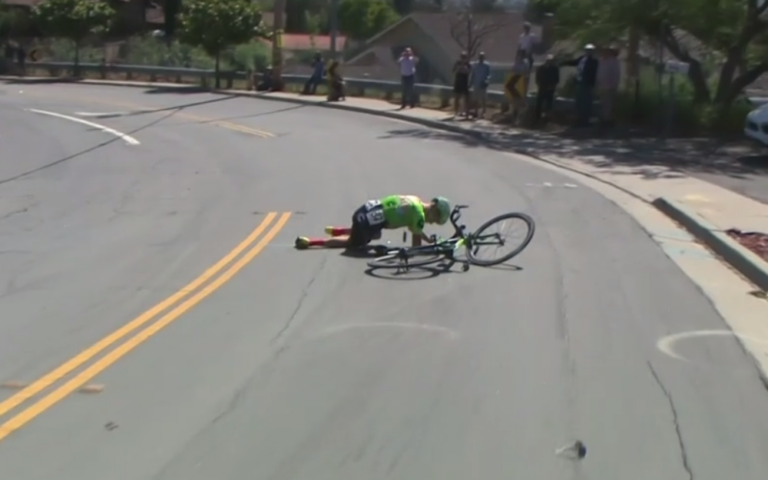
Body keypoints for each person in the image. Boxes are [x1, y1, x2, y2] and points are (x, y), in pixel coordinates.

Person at [295, 195, 452, 250]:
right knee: (351, 244)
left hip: (365, 209)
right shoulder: (419, 217)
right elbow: (416, 248)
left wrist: (428, 239)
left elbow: (414, 228)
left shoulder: (414, 200)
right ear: (433, 210)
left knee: (376, 235)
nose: (431, 223)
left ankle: (341, 230)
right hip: (365, 224)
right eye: (435, 220)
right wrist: (432, 247)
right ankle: (312, 242)